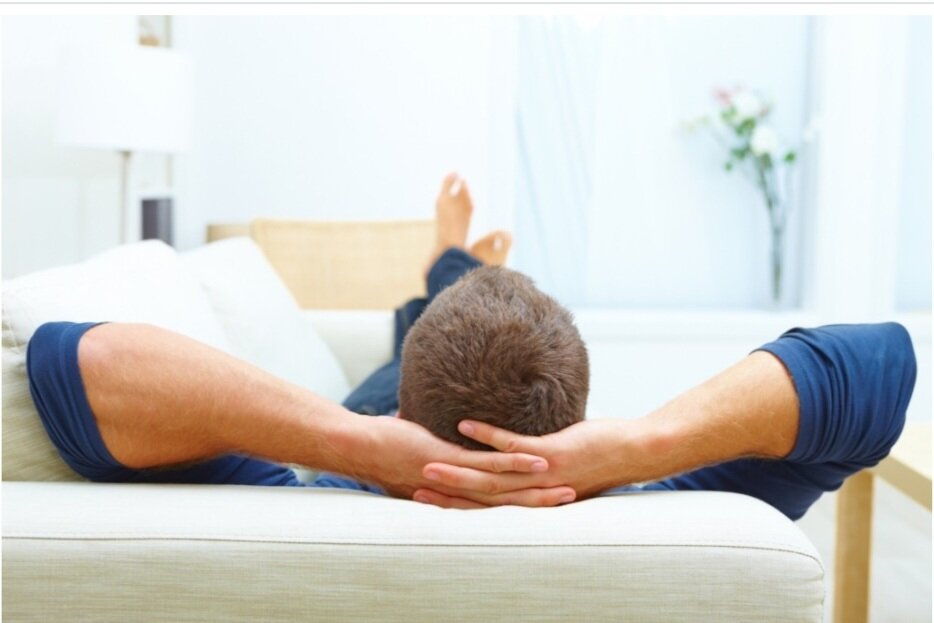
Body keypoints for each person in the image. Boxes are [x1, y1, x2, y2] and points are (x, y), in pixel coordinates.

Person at [25, 174, 918, 516]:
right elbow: (877, 364)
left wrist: (360, 441)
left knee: (418, 332)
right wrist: (634, 447)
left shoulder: (303, 500)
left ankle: (450, 264)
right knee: (437, 313)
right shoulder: (671, 506)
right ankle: (454, 264)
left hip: (384, 429)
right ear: (579, 417)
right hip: (469, 436)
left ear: (404, 418)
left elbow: (77, 358)